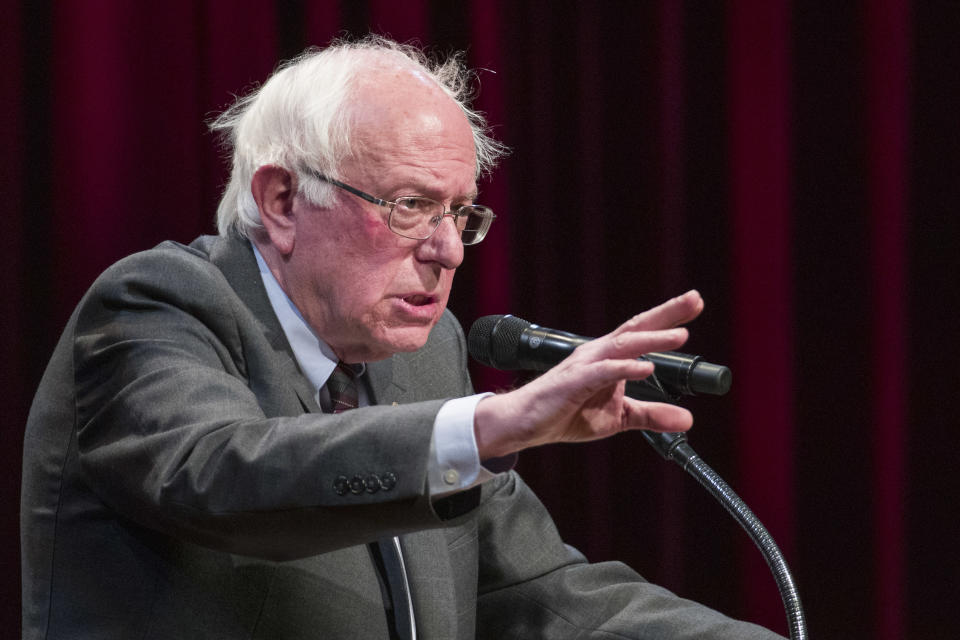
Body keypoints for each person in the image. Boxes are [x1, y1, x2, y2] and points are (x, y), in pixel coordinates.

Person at [21, 36, 784, 639]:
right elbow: (221, 475)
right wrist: (487, 426)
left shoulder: (422, 358)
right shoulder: (161, 305)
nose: (448, 249)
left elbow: (535, 591)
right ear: (283, 199)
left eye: (461, 214)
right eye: (413, 205)